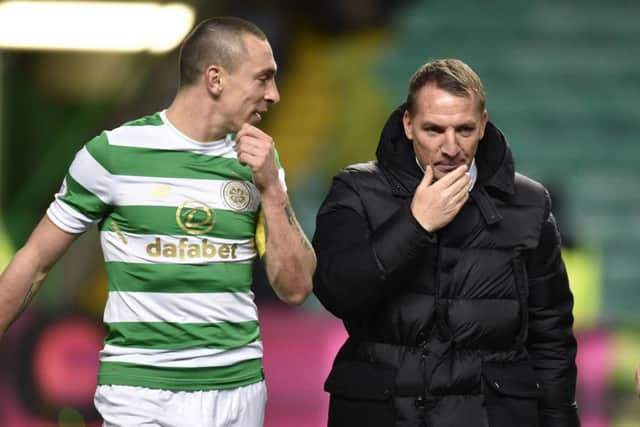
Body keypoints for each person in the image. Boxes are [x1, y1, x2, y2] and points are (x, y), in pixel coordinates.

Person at [0, 16, 315, 427]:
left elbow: (295, 288)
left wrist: (273, 188)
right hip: (140, 394)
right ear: (215, 79)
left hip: (236, 394)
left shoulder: (258, 164)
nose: (274, 94)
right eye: (262, 79)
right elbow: (36, 260)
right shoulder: (113, 154)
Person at [313, 59, 580, 427]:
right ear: (408, 125)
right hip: (385, 413)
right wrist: (414, 224)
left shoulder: (529, 204)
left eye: (465, 129)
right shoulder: (356, 191)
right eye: (434, 130)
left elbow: (552, 338)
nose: (451, 147)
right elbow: (335, 290)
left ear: (483, 125)